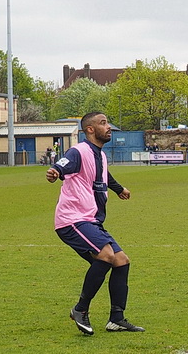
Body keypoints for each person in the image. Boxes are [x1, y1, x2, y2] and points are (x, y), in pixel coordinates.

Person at [46, 112, 144, 335]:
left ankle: (116, 319)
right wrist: (54, 172)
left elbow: (103, 174)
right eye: (103, 123)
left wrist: (119, 189)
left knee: (121, 261)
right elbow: (62, 164)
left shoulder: (98, 154)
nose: (108, 127)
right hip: (72, 220)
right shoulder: (79, 151)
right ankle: (80, 309)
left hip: (91, 220)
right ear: (90, 129)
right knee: (106, 255)